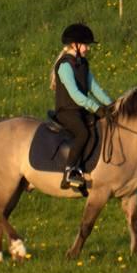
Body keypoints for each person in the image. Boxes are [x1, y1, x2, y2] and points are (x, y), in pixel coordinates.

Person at [50, 23, 113, 189]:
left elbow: (94, 87)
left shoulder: (83, 63)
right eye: (85, 45)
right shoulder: (64, 66)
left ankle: (84, 167)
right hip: (66, 112)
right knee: (82, 133)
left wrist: (111, 105)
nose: (87, 49)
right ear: (74, 45)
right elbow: (76, 95)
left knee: (96, 127)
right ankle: (69, 172)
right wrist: (96, 107)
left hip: (80, 111)